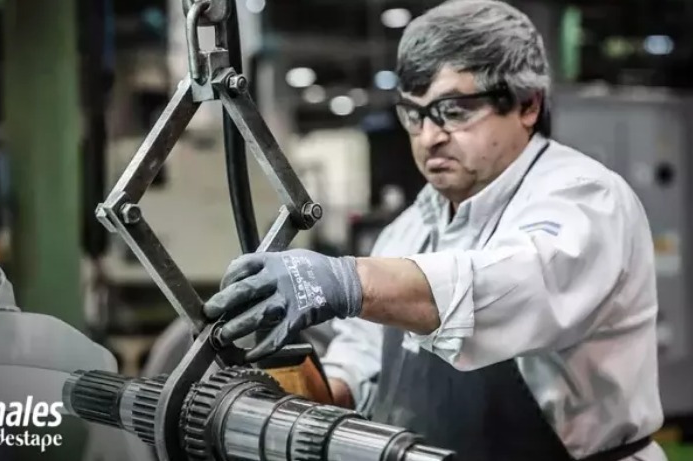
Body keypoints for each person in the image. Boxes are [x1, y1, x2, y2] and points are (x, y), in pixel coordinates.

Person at [202, 1, 666, 460]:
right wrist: (304, 395)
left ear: (527, 105)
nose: (429, 137)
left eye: (455, 110)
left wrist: (346, 280)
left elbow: (505, 286)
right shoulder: (408, 230)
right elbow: (366, 358)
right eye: (414, 113)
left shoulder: (585, 198)